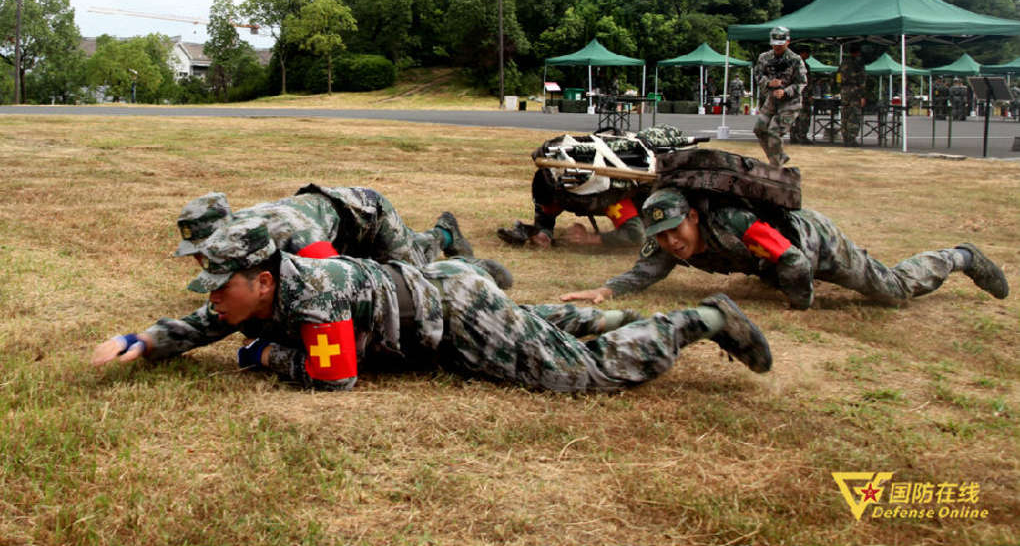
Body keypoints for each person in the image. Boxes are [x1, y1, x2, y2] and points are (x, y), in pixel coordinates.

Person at [92, 218, 773, 392]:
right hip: (442, 293)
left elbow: (336, 377)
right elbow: (206, 321)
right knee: (535, 327)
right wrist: (147, 341)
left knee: (576, 376)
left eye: (222, 282)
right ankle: (613, 318)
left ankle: (699, 319)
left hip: (455, 315)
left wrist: (266, 353)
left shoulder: (317, 297)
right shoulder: (260, 288)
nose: (213, 297)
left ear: (263, 280)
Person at [562, 188, 1009, 310]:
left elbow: (793, 259)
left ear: (693, 217)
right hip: (774, 261)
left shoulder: (735, 223)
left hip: (816, 243)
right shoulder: (667, 241)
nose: (670, 242)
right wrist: (605, 291)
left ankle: (960, 256)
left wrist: (800, 302)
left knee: (892, 291)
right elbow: (644, 273)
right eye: (662, 236)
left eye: (676, 231)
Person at [174, 185, 472, 270]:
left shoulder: (290, 231)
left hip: (366, 216)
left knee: (411, 272)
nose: (201, 260)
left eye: (204, 250)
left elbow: (336, 277)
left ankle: (446, 233)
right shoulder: (242, 233)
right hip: (331, 227)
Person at [497, 126, 692, 250]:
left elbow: (635, 235)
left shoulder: (607, 193)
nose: (548, 207)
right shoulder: (550, 186)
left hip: (641, 188)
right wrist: (543, 235)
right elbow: (545, 218)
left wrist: (592, 239)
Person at [753, 27, 807, 166]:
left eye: (780, 43)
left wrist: (785, 91)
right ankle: (778, 156)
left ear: (788, 42)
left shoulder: (795, 60)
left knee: (774, 131)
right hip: (771, 100)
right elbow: (758, 75)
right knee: (759, 129)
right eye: (775, 43)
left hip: (790, 102)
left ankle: (776, 165)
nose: (777, 46)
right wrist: (769, 83)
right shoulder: (764, 58)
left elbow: (801, 83)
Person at [838, 43, 867, 146]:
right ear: (858, 52)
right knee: (854, 115)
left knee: (845, 114)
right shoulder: (858, 63)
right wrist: (862, 95)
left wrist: (839, 87)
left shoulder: (843, 63)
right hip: (855, 91)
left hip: (844, 91)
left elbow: (838, 76)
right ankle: (851, 139)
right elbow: (862, 80)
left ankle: (845, 137)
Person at [789, 46, 813, 145]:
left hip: (795, 94)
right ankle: (801, 136)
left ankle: (794, 136)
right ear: (802, 53)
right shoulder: (802, 65)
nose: (809, 55)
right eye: (807, 53)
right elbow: (806, 82)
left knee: (795, 116)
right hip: (803, 95)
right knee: (804, 116)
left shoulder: (791, 64)